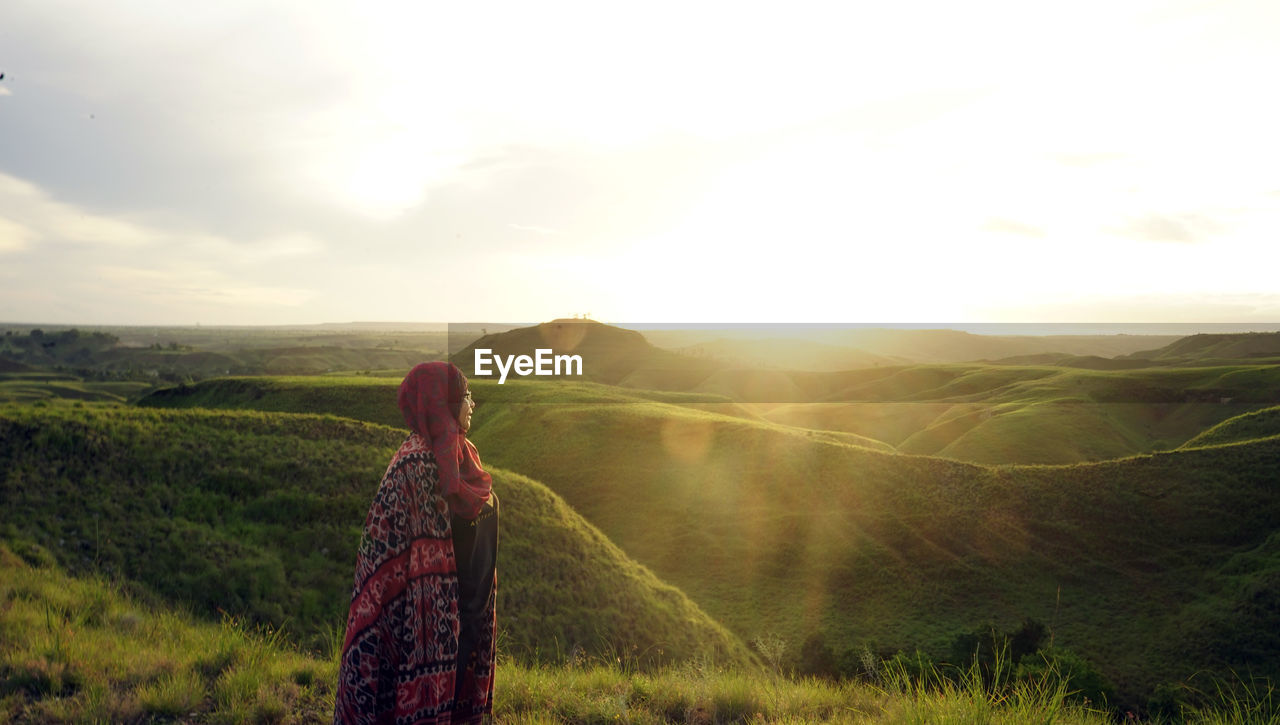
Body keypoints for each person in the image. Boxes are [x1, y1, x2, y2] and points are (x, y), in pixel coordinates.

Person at [334, 362, 499, 724]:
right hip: (421, 633)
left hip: (467, 626)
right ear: (443, 403)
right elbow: (382, 565)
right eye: (465, 396)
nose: (472, 404)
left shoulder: (464, 456)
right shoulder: (411, 468)